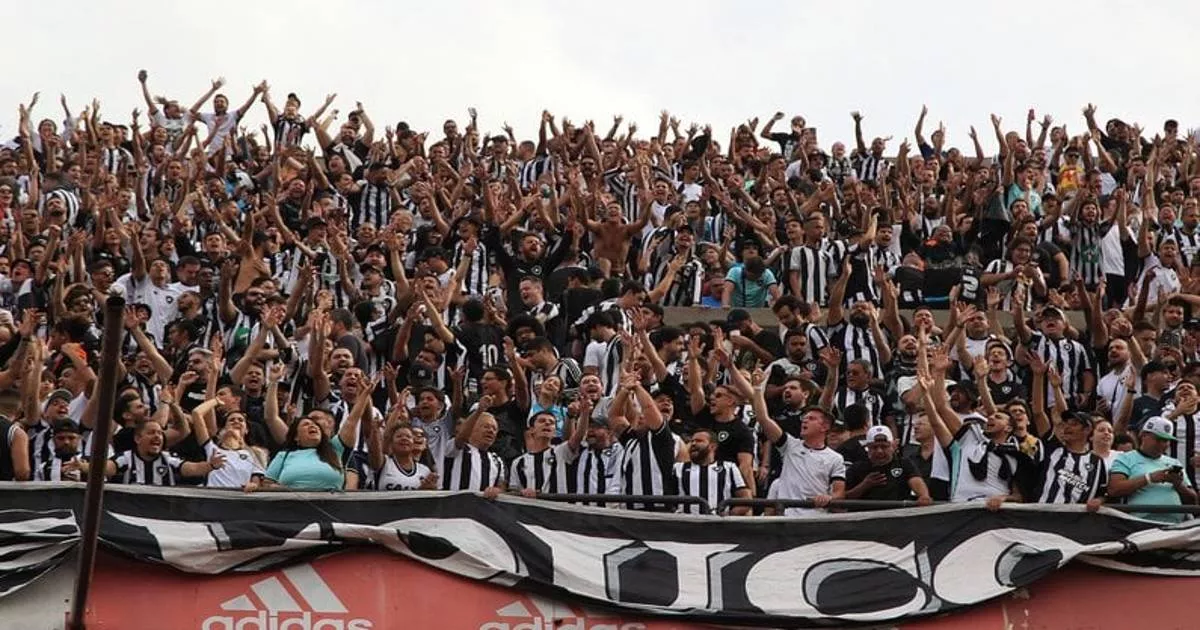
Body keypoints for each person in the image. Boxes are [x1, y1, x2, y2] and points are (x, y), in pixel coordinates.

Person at [1108, 417, 1198, 523]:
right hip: (1139, 522)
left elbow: (1193, 501)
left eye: (1166, 440)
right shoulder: (1125, 458)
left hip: (1174, 524)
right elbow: (1114, 489)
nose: (1163, 444)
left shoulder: (1174, 463)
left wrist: (1178, 485)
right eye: (1158, 439)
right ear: (1143, 435)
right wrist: (1150, 478)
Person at [845, 426, 932, 504]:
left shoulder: (904, 464)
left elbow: (916, 481)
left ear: (893, 447)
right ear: (868, 447)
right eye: (874, 447)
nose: (879, 451)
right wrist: (865, 485)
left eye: (884, 446)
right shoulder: (857, 468)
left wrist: (923, 496)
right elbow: (843, 497)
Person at [674, 428, 752, 515]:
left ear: (713, 446)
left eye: (699, 441)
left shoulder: (729, 467)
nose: (693, 444)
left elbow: (746, 499)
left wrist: (729, 515)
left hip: (719, 525)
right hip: (686, 523)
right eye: (692, 441)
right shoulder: (678, 468)